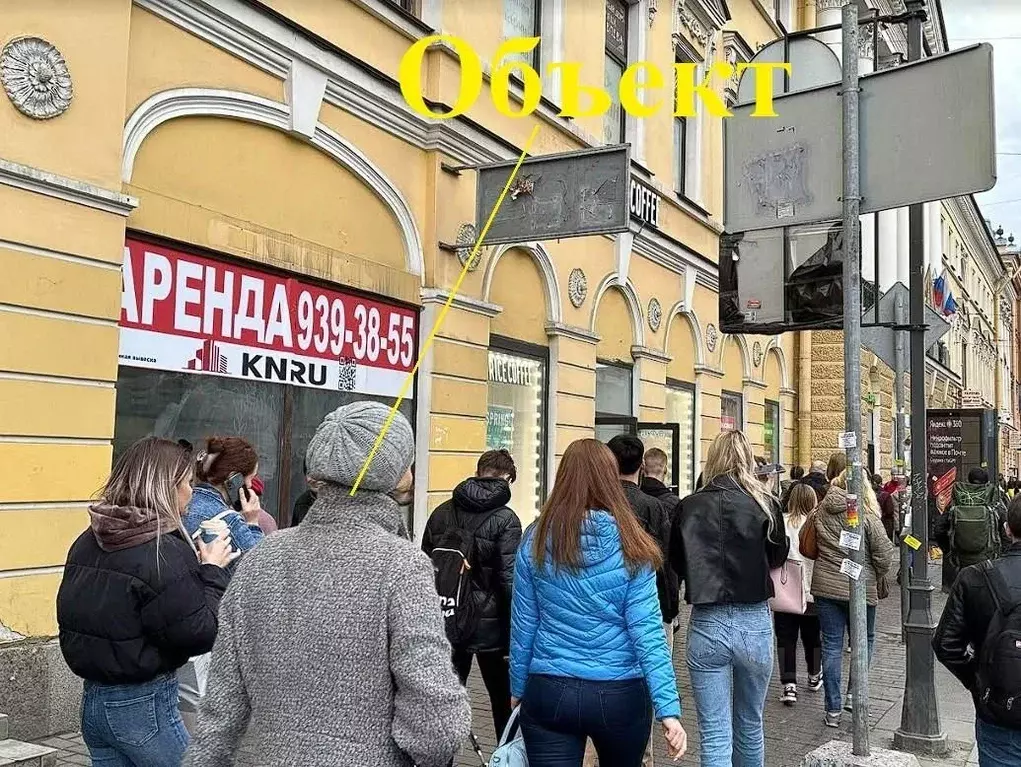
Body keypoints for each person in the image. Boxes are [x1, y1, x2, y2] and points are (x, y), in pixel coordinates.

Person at [182, 402, 471, 766]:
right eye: (407, 460)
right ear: (392, 473)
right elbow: (436, 726)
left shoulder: (262, 556)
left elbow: (220, 708)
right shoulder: (402, 566)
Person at [56, 437, 236, 766]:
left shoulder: (91, 537)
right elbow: (199, 632)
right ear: (167, 488)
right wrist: (212, 569)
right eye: (186, 482)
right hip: (143, 704)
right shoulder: (161, 548)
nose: (192, 491)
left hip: (95, 700)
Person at [510, 439, 686, 766]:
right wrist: (668, 710)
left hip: (550, 688)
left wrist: (518, 686)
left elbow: (524, 624)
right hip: (620, 693)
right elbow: (648, 634)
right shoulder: (633, 545)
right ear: (611, 479)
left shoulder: (535, 539)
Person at [670, 430, 790, 766]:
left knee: (714, 733)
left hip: (707, 620)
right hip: (754, 620)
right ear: (748, 459)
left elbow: (678, 562)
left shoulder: (689, 506)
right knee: (750, 725)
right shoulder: (765, 503)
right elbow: (778, 557)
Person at [422, 449, 522, 741]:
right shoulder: (506, 519)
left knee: (445, 709)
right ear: (507, 478)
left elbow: (426, 567)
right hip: (494, 633)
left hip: (449, 621)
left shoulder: (441, 512)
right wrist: (516, 633)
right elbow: (508, 581)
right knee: (504, 709)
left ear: (478, 471)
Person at [934, 496, 1021, 765]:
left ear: (1006, 529)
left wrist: (979, 680)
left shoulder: (975, 578)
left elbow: (946, 645)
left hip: (1000, 712)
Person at [808, 469, 896, 727]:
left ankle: (832, 710)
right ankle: (853, 697)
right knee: (863, 643)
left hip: (825, 587)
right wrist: (874, 574)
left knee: (831, 646)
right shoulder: (867, 515)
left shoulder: (822, 510)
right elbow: (884, 555)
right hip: (860, 587)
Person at [774, 484, 822, 706]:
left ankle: (789, 684)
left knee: (786, 638)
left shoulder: (781, 523)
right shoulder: (816, 523)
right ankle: (814, 675)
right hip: (813, 589)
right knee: (812, 637)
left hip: (785, 590)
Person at [185, 436, 266, 562]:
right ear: (234, 479)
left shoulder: (181, 504)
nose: (250, 485)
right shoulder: (229, 520)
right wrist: (252, 522)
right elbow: (259, 567)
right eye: (251, 477)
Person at [934, 467, 1009, 573]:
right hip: (988, 561)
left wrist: (949, 550)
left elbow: (939, 529)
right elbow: (1006, 532)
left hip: (962, 561)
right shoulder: (994, 502)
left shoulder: (957, 502)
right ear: (986, 482)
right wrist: (1003, 555)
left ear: (968, 481)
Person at [290, 459, 317, 527]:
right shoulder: (302, 502)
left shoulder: (346, 499)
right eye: (308, 473)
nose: (309, 479)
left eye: (315, 473)